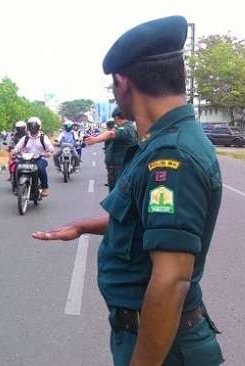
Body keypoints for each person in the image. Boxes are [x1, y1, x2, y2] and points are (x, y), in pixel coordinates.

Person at [33, 16, 224, 366]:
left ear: (122, 82)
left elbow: (170, 281)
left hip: (164, 349)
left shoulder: (172, 156)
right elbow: (144, 223)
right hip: (150, 337)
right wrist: (86, 226)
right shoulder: (161, 143)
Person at [86, 107, 137, 191]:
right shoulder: (125, 127)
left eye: (114, 119)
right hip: (118, 167)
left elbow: (111, 133)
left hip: (119, 168)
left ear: (116, 117)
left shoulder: (127, 128)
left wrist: (95, 139)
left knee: (116, 194)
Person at [13, 116, 54, 197]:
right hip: (26, 159)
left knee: (41, 168)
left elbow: (50, 148)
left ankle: (45, 188)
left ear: (39, 127)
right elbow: (17, 147)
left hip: (39, 159)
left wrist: (48, 152)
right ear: (28, 127)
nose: (33, 128)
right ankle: (17, 187)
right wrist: (14, 151)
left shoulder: (43, 137)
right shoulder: (25, 138)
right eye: (31, 126)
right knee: (16, 167)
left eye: (35, 126)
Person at [7, 120, 28, 185]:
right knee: (10, 162)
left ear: (25, 128)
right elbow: (11, 145)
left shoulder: (29, 136)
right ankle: (11, 174)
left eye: (21, 128)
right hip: (17, 154)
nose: (20, 129)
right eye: (18, 128)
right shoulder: (14, 137)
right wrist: (9, 148)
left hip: (28, 154)